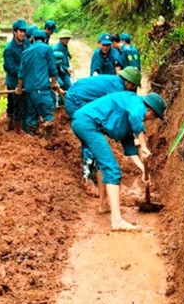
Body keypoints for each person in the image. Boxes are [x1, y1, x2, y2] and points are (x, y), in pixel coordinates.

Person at [71, 91, 166, 231]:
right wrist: (144, 146)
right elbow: (136, 118)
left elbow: (130, 149)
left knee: (103, 164)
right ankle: (117, 222)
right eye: (153, 118)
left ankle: (103, 206)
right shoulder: (135, 103)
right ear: (150, 112)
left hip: (85, 124)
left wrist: (143, 171)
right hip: (87, 124)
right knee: (113, 170)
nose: (149, 121)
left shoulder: (128, 114)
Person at [65, 67, 142, 182]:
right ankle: (88, 176)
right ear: (129, 82)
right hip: (76, 101)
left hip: (76, 95)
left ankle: (94, 172)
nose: (133, 89)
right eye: (133, 86)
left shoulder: (116, 82)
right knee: (90, 136)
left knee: (93, 134)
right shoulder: (118, 88)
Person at [17, 29, 59, 135]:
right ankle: (50, 140)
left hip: (29, 90)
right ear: (44, 40)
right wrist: (53, 83)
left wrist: (19, 88)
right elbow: (52, 69)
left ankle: (31, 140)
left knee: (32, 114)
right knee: (48, 113)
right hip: (41, 88)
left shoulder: (25, 52)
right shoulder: (47, 49)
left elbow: (22, 73)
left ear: (32, 39)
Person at [3, 19, 29, 131]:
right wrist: (23, 71)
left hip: (26, 80)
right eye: (20, 31)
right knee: (15, 104)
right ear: (14, 32)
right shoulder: (9, 49)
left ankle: (21, 127)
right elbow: (10, 67)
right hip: (14, 81)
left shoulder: (27, 43)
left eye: (24, 31)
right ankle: (14, 128)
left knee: (24, 104)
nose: (23, 34)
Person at [51, 30, 73, 95]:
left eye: (68, 38)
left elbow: (66, 53)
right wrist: (66, 68)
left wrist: (69, 54)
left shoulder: (65, 46)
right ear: (61, 39)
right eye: (66, 38)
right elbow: (56, 63)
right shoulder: (56, 48)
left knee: (69, 85)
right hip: (58, 70)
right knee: (61, 85)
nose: (67, 40)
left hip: (63, 71)